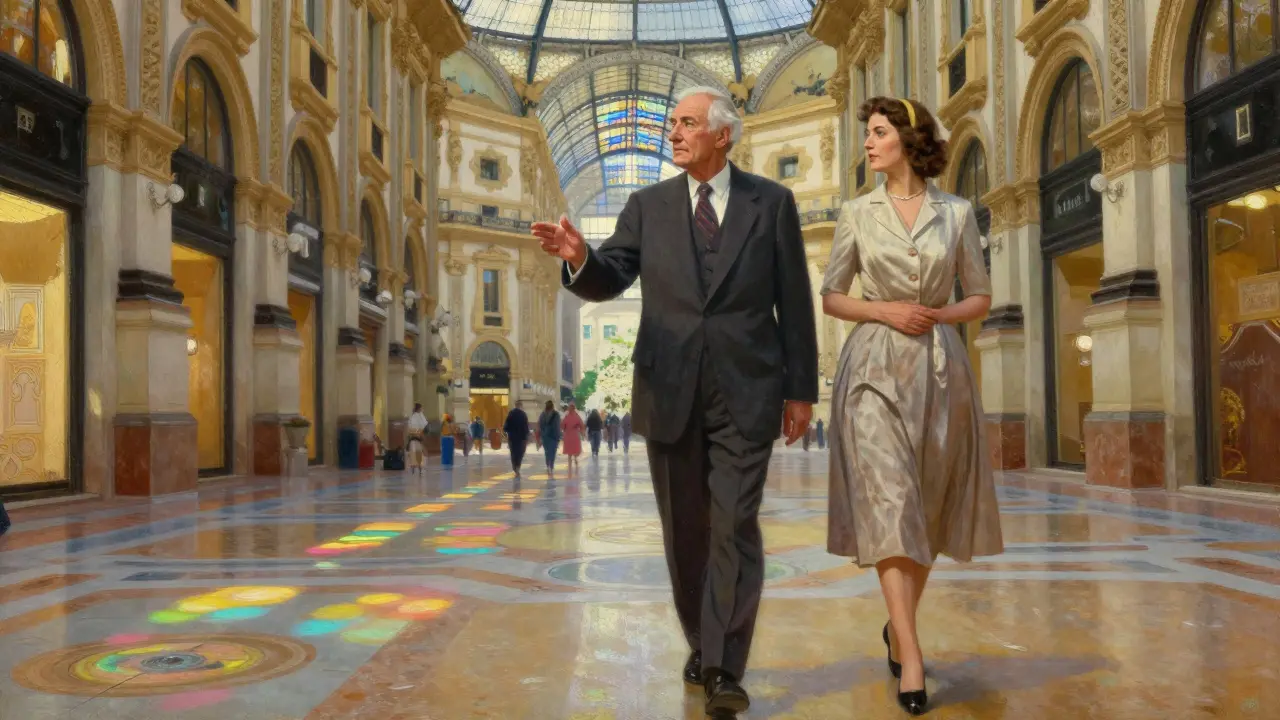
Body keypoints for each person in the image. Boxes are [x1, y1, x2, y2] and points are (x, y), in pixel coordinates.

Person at [532, 85, 817, 717]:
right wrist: (581, 257)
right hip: (668, 388)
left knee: (735, 526)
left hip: (749, 389)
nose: (674, 133)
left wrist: (802, 389)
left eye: (686, 123)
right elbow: (611, 277)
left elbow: (795, 299)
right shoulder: (647, 206)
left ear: (723, 136)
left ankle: (723, 665)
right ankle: (702, 638)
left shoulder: (771, 203)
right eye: (672, 124)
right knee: (685, 534)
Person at [820, 97, 1004, 716]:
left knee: (923, 506)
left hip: (940, 369)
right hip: (872, 368)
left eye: (877, 133)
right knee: (890, 502)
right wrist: (885, 310)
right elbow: (832, 295)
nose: (867, 145)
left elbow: (979, 295)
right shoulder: (856, 213)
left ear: (908, 138)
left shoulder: (955, 214)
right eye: (866, 134)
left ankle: (896, 628)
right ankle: (914, 655)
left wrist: (938, 315)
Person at [502, 401, 530, 476]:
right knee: (520, 452)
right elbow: (526, 426)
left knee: (513, 452)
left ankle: (514, 467)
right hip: (521, 437)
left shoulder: (511, 413)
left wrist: (506, 431)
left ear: (515, 405)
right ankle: (518, 466)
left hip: (512, 437)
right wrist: (527, 436)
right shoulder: (523, 414)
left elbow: (506, 425)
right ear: (520, 405)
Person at [538, 400, 562, 472]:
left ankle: (548, 464)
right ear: (552, 406)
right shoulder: (556, 414)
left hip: (545, 436)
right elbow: (557, 426)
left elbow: (541, 425)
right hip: (554, 436)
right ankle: (551, 465)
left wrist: (542, 434)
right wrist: (559, 436)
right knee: (553, 451)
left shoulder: (542, 414)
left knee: (547, 451)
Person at [561, 402, 584, 471]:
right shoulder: (577, 416)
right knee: (574, 449)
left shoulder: (567, 417)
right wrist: (581, 431)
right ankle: (575, 459)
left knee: (569, 449)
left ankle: (570, 461)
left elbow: (562, 425)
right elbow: (582, 425)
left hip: (568, 434)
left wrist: (564, 428)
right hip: (574, 434)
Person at [406, 403, 429, 474]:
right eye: (421, 408)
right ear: (419, 409)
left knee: (415, 452)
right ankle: (418, 467)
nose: (422, 410)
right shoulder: (417, 417)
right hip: (416, 437)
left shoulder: (413, 417)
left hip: (415, 438)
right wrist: (419, 433)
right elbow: (422, 426)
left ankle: (415, 467)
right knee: (418, 452)